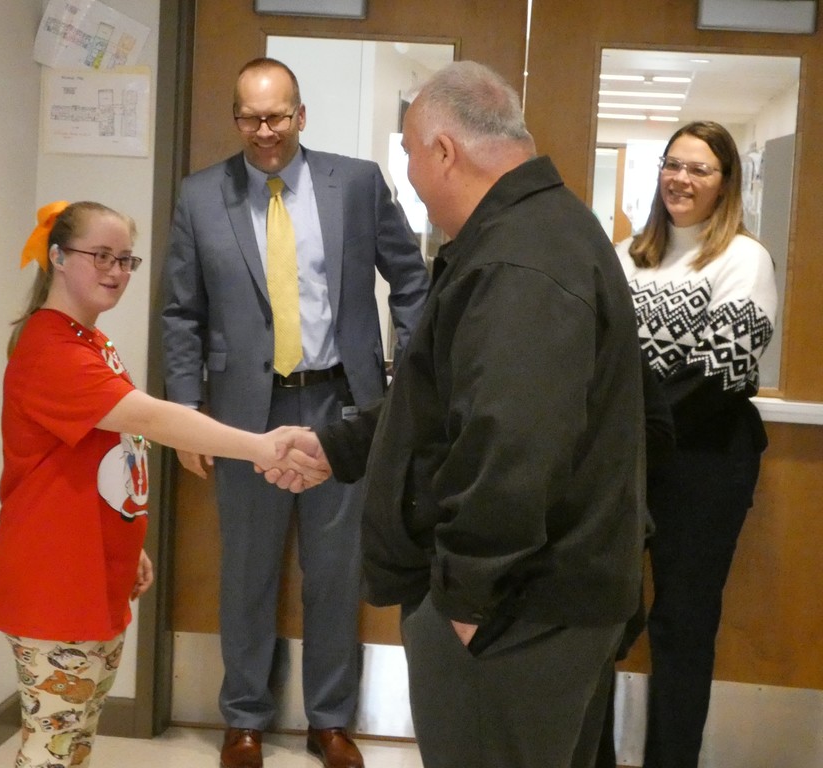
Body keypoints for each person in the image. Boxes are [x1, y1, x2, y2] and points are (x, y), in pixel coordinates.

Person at [271, 60, 648, 768]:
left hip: (514, 614)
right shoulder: (544, 231)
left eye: (410, 154)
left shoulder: (521, 260)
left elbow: (509, 441)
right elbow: (446, 402)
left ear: (444, 150)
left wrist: (470, 604)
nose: (409, 175)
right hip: (541, 603)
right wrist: (338, 447)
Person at [0, 201, 324, 768]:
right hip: (52, 577)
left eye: (125, 260)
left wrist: (127, 544)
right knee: (53, 748)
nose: (115, 271)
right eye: (101, 256)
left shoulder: (92, 341)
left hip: (90, 570)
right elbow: (152, 420)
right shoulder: (51, 348)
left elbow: (112, 454)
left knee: (73, 739)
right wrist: (260, 446)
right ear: (58, 257)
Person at [161, 57, 429, 768]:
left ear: (301, 115)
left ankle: (330, 720)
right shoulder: (199, 197)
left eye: (278, 116)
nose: (265, 131)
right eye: (250, 117)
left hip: (340, 404)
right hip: (245, 414)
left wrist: (411, 376)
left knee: (335, 572)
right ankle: (245, 718)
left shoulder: (358, 184)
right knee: (246, 568)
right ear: (236, 120)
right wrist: (187, 410)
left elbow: (410, 279)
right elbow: (181, 313)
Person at [615, 120, 777, 768]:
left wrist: (626, 419)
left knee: (681, 627)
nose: (681, 178)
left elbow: (721, 373)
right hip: (628, 465)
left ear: (725, 183)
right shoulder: (627, 256)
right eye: (672, 164)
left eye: (699, 169)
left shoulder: (744, 257)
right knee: (605, 620)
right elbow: (601, 354)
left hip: (704, 467)